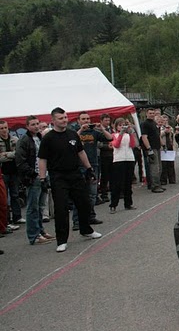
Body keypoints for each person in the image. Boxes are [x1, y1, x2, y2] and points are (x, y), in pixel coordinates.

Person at [38, 107, 102, 253]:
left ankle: (86, 229)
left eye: (65, 117)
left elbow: (81, 152)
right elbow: (42, 159)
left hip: (75, 174)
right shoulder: (48, 138)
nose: (64, 120)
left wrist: (89, 168)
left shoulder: (72, 134)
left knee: (84, 203)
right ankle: (62, 240)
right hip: (58, 177)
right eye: (61, 118)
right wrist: (42, 178)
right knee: (61, 209)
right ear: (53, 121)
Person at [15, 116, 55, 245]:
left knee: (41, 206)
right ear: (27, 126)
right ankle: (34, 235)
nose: (36, 126)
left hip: (44, 174)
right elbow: (20, 161)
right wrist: (32, 174)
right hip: (33, 177)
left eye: (37, 124)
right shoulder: (24, 140)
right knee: (32, 207)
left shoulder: (41, 138)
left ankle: (41, 231)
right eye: (33, 124)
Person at [72, 111, 113, 229]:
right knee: (79, 194)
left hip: (93, 164)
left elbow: (109, 138)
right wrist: (81, 129)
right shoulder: (74, 132)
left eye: (87, 119)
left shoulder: (94, 132)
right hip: (79, 166)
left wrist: (101, 128)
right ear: (78, 121)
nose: (86, 121)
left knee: (92, 193)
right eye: (83, 119)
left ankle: (90, 216)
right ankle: (77, 221)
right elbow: (71, 140)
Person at [109, 118, 138, 214]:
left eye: (123, 125)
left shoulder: (128, 135)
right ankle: (113, 204)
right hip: (118, 160)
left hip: (129, 159)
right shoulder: (114, 135)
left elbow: (133, 145)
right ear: (116, 126)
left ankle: (128, 203)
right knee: (117, 183)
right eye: (120, 125)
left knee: (128, 183)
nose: (122, 127)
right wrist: (121, 134)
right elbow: (116, 145)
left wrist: (130, 133)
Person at [0, 120, 22, 230]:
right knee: (5, 199)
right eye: (1, 128)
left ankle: (17, 217)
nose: (4, 130)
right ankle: (7, 220)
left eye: (5, 127)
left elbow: (18, 154)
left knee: (15, 194)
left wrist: (7, 154)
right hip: (3, 172)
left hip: (14, 171)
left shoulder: (15, 139)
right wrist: (10, 155)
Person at [141, 109, 165, 193]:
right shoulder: (145, 124)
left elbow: (157, 135)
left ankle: (158, 184)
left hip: (157, 147)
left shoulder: (154, 123)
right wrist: (149, 148)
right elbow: (144, 137)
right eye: (150, 113)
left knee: (159, 167)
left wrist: (163, 144)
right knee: (154, 167)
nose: (151, 115)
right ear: (146, 114)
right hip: (152, 148)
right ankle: (155, 186)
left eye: (153, 113)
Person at [97, 113, 113, 203]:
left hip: (112, 154)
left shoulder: (111, 129)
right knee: (105, 175)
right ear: (101, 121)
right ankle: (104, 193)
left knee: (112, 174)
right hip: (103, 155)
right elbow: (98, 143)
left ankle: (112, 190)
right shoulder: (98, 130)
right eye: (105, 120)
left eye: (108, 120)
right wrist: (107, 146)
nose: (107, 122)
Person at [159, 114, 177, 184]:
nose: (165, 122)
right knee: (164, 165)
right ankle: (163, 179)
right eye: (163, 120)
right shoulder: (160, 128)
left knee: (171, 164)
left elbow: (173, 138)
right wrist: (164, 132)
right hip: (163, 147)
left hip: (170, 147)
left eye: (166, 120)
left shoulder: (171, 128)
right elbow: (159, 135)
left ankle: (172, 179)